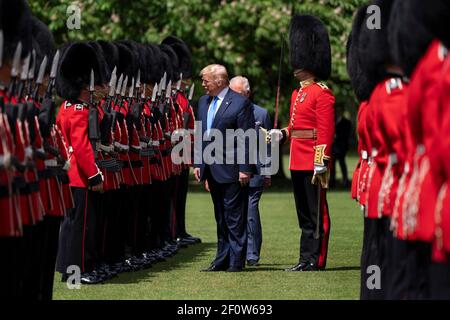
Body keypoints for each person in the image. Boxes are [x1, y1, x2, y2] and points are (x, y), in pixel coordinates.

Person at [269, 15, 335, 271]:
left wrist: (321, 162)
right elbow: (296, 127)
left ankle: (316, 259)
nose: (296, 65)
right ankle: (304, 258)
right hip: (297, 159)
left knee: (318, 215)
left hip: (313, 160)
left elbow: (325, 132)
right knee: (304, 215)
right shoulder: (298, 93)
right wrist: (282, 134)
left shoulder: (322, 92)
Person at [194, 64, 254, 272]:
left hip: (233, 170)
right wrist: (198, 162)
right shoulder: (203, 102)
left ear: (219, 81)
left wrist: (245, 169)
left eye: (206, 80)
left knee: (234, 218)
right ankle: (222, 259)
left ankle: (236, 261)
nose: (203, 84)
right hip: (211, 169)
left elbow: (248, 138)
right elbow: (200, 133)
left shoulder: (240, 103)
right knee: (220, 217)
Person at [229, 75, 271, 266]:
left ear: (247, 93)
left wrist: (268, 171)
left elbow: (268, 146)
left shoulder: (261, 114)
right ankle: (236, 251)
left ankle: (252, 254)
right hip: (231, 171)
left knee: (251, 212)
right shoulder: (227, 112)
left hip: (255, 171)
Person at [330, 105, 352, 188]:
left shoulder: (346, 122)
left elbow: (346, 135)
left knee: (342, 164)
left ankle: (345, 180)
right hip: (333, 146)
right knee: (332, 166)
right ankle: (332, 181)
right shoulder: (333, 120)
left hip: (341, 147)